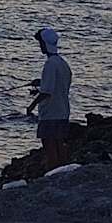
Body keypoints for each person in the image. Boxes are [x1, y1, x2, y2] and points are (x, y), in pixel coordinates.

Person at [26, 27, 73, 169]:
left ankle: (53, 172)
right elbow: (57, 83)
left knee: (50, 147)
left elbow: (47, 92)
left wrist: (31, 106)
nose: (40, 46)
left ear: (45, 44)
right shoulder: (62, 63)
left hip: (50, 114)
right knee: (59, 144)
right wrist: (40, 82)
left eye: (40, 43)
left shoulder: (50, 64)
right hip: (63, 111)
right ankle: (63, 171)